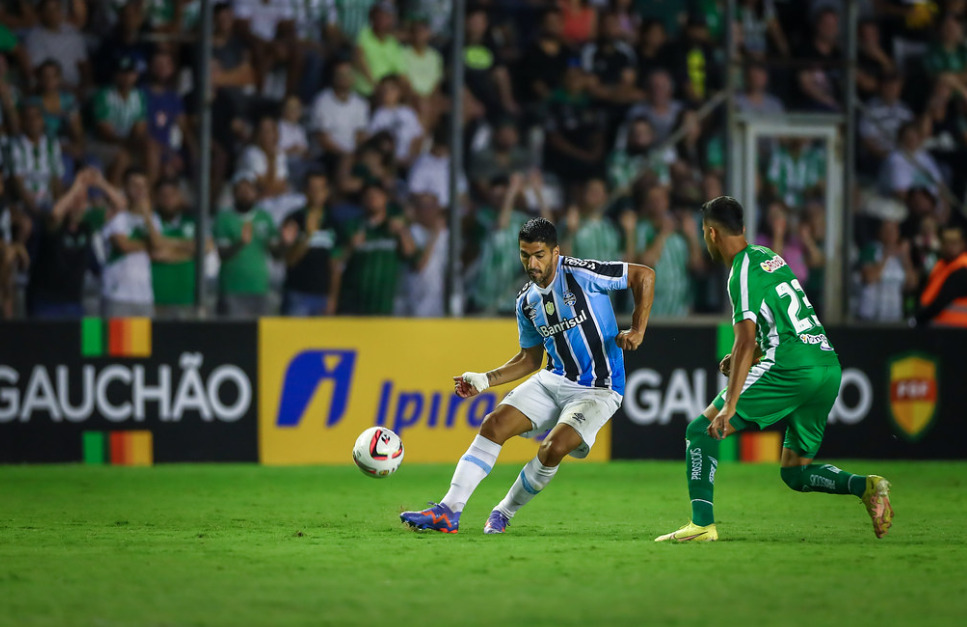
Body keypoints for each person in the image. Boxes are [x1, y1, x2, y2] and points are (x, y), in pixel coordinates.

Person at [655, 196, 893, 543]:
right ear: (744, 229)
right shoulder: (769, 257)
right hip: (827, 365)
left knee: (701, 430)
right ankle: (867, 486)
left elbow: (745, 340)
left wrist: (731, 403)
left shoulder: (740, 273)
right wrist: (745, 356)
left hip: (790, 367)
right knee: (795, 473)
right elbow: (780, 323)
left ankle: (702, 524)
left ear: (710, 234)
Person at [400, 216, 656, 534]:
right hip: (553, 379)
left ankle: (503, 512)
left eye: (539, 255)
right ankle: (448, 511)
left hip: (598, 388)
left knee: (552, 448)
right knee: (494, 424)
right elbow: (529, 359)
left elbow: (644, 275)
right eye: (525, 255)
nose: (531, 263)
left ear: (555, 252)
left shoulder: (580, 273)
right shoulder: (527, 301)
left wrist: (639, 330)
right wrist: (484, 379)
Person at [915, 224, 967, 327]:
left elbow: (941, 302)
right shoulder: (940, 266)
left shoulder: (963, 271)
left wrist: (917, 320)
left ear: (963, 244)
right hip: (940, 328)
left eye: (954, 243)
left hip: (960, 331)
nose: (949, 247)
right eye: (945, 242)